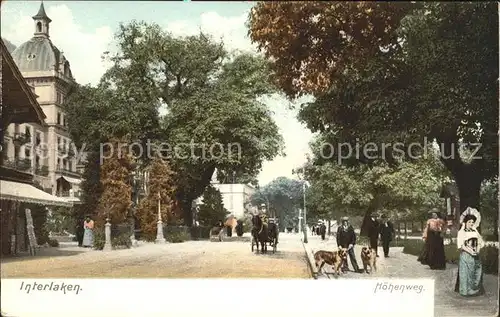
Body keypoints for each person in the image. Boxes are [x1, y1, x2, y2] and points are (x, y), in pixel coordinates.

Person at [454, 212, 485, 296]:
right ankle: (466, 291)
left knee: (476, 272)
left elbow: (480, 241)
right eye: (469, 222)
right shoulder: (462, 232)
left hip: (476, 254)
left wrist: (477, 250)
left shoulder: (475, 231)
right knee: (466, 273)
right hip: (466, 254)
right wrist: (470, 251)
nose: (471, 224)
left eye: (472, 222)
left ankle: (475, 289)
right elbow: (461, 245)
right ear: (465, 222)